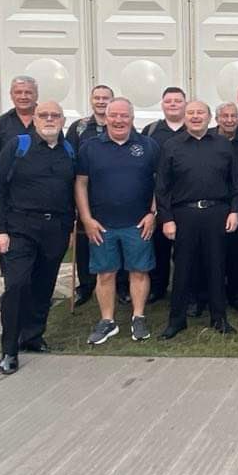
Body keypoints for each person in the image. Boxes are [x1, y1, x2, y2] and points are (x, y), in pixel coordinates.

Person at [0, 101, 74, 374]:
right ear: (34, 119)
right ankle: (9, 349)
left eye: (55, 115)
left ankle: (33, 337)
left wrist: (71, 226)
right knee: (17, 285)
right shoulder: (18, 146)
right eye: (43, 115)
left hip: (56, 228)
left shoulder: (69, 151)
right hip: (19, 228)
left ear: (63, 121)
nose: (49, 119)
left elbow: (73, 190)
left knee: (43, 286)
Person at [75, 98, 160, 345]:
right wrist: (86, 219)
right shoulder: (90, 147)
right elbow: (80, 184)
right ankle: (107, 321)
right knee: (105, 273)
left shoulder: (149, 146)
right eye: (114, 115)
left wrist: (152, 213)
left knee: (139, 271)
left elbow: (160, 182)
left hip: (138, 223)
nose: (119, 120)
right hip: (102, 225)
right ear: (106, 118)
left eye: (124, 115)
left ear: (132, 118)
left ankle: (138, 317)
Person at [156, 101, 238, 339]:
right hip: (184, 215)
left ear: (209, 117)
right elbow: (162, 187)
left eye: (200, 112)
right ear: (185, 117)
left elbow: (235, 183)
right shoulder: (171, 146)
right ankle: (177, 320)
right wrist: (167, 218)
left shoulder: (223, 145)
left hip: (217, 213)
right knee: (183, 268)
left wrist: (234, 211)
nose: (195, 117)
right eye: (191, 113)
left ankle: (219, 318)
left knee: (217, 266)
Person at [66, 84, 115, 306]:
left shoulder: (120, 123)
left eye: (106, 98)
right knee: (85, 240)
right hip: (85, 192)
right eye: (97, 98)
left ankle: (120, 284)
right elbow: (69, 159)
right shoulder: (79, 127)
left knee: (114, 237)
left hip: (112, 193)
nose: (101, 101)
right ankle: (86, 285)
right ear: (91, 100)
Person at [142, 86, 187, 303]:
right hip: (158, 197)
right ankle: (158, 287)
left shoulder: (194, 128)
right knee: (159, 244)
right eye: (169, 101)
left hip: (187, 197)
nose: (173, 104)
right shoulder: (151, 131)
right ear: (162, 105)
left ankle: (185, 287)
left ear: (185, 104)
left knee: (185, 247)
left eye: (178, 100)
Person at [214, 102, 238, 309]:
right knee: (211, 252)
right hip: (213, 203)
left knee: (236, 252)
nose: (229, 120)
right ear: (217, 119)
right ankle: (209, 294)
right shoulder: (207, 138)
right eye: (225, 116)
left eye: (233, 116)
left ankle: (235, 294)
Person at [0, 75, 38, 169]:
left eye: (28, 92)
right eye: (18, 92)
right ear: (11, 95)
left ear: (36, 95)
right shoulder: (0, 123)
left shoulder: (49, 119)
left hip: (43, 177)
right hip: (10, 177)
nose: (23, 96)